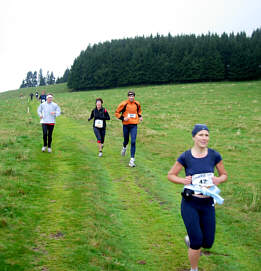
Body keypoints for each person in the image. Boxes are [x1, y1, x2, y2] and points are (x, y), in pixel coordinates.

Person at [167, 124, 227, 271]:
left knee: (207, 242)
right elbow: (170, 175)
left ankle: (190, 239)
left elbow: (224, 175)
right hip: (190, 203)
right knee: (196, 241)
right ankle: (194, 269)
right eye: (201, 135)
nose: (204, 138)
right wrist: (183, 181)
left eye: (206, 135)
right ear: (194, 137)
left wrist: (219, 180)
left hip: (208, 203)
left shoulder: (214, 155)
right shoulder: (186, 156)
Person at [115, 90, 142, 167]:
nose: (131, 97)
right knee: (126, 140)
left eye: (132, 96)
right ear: (128, 97)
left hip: (134, 125)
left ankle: (132, 160)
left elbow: (139, 111)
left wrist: (140, 116)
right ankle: (124, 147)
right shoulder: (124, 104)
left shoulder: (137, 104)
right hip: (126, 125)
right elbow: (116, 112)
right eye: (130, 96)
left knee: (133, 141)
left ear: (134, 97)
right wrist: (123, 118)